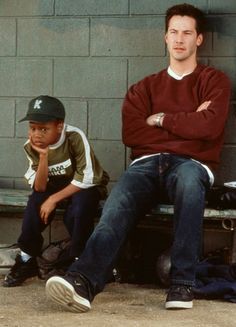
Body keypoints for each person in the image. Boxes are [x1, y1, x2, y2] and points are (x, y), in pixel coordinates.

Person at [45, 3, 231, 311]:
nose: (179, 39)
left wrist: (160, 120)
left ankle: (183, 284)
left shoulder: (214, 81)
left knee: (188, 182)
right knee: (118, 202)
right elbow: (133, 135)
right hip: (145, 164)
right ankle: (83, 282)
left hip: (192, 165)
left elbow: (210, 127)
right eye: (174, 32)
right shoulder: (143, 88)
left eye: (187, 33)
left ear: (199, 39)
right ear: (165, 37)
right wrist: (189, 123)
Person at [3, 95, 109, 287]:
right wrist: (43, 157)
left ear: (59, 126)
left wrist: (53, 199)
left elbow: (86, 178)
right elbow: (40, 187)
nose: (37, 134)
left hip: (84, 186)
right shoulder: (31, 146)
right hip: (55, 187)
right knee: (35, 204)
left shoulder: (74, 137)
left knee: (79, 208)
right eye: (33, 128)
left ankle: (78, 262)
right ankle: (27, 259)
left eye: (44, 129)